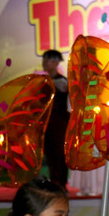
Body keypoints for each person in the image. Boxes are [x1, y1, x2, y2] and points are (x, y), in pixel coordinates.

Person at [42, 50, 69, 187]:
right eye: (44, 60)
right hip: (46, 122)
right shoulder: (44, 81)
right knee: (50, 153)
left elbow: (63, 91)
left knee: (59, 153)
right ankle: (54, 182)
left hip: (60, 122)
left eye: (49, 60)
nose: (45, 63)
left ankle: (60, 183)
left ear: (56, 63)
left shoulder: (62, 81)